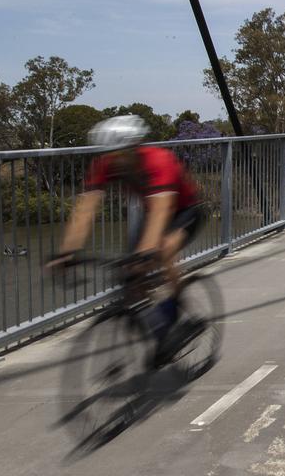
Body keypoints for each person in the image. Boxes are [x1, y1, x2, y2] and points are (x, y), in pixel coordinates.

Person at [51, 115, 204, 350]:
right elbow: (84, 210)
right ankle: (155, 326)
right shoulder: (106, 163)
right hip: (151, 210)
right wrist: (66, 253)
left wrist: (146, 253)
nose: (115, 161)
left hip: (185, 210)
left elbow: (161, 211)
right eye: (109, 154)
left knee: (162, 250)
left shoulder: (158, 161)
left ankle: (181, 309)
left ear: (135, 148)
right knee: (130, 275)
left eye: (120, 154)